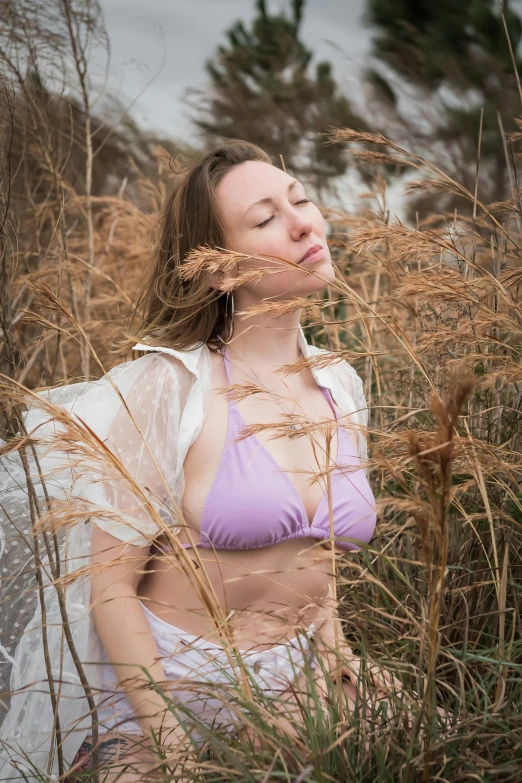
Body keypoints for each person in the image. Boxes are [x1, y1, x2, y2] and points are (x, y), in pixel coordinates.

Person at [0, 140, 379, 782]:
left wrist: (336, 650)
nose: (303, 222)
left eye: (301, 199)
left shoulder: (342, 385)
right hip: (169, 690)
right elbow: (111, 589)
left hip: (300, 675)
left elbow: (319, 554)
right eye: (264, 220)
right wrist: (170, 742)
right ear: (216, 271)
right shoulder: (167, 389)